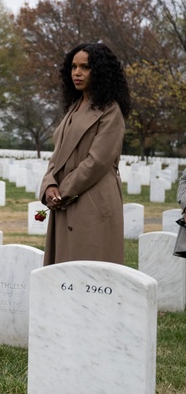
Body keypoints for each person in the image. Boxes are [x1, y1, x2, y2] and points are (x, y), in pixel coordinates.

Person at [39, 42, 130, 266]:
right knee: (63, 271)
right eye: (73, 67)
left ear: (99, 72)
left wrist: (63, 191)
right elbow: (57, 154)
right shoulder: (75, 106)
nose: (77, 73)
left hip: (92, 199)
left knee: (90, 273)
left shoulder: (110, 111)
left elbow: (98, 161)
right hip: (64, 199)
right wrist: (49, 185)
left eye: (85, 67)